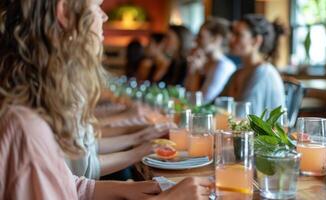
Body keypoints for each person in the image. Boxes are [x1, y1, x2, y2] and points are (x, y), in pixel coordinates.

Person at [0, 0, 211, 199]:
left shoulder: (33, 96)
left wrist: (133, 186)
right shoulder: (26, 121)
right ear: (64, 12)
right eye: (97, 5)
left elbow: (69, 186)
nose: (104, 16)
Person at [223, 14, 286, 115]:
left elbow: (241, 115)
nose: (231, 39)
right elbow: (218, 106)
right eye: (232, 33)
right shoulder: (238, 72)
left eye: (238, 34)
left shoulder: (263, 73)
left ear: (256, 40)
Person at [185, 17, 236, 103]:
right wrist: (192, 71)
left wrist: (195, 73)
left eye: (200, 36)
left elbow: (202, 101)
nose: (195, 40)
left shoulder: (223, 66)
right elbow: (186, 95)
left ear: (216, 39)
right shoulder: (202, 63)